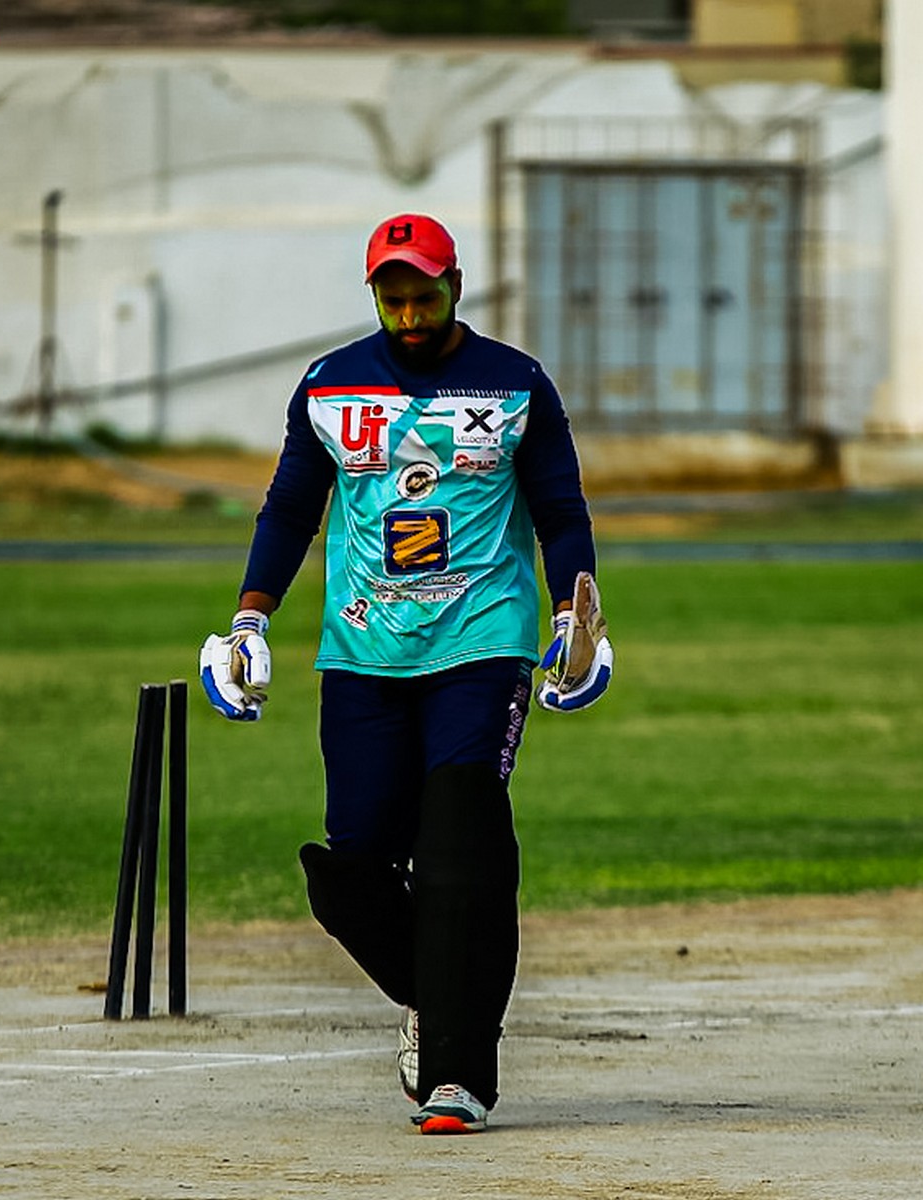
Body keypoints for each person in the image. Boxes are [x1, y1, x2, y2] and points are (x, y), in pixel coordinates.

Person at [200, 213, 613, 1135]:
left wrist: (575, 614)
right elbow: (289, 509)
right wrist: (248, 621)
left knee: (463, 845)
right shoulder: (329, 385)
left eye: (425, 296)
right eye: (394, 300)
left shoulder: (516, 384)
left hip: (482, 641)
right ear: (374, 297)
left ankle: (455, 1079)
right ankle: (442, 992)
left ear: (455, 286)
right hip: (363, 651)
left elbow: (560, 509)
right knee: (351, 872)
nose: (412, 315)